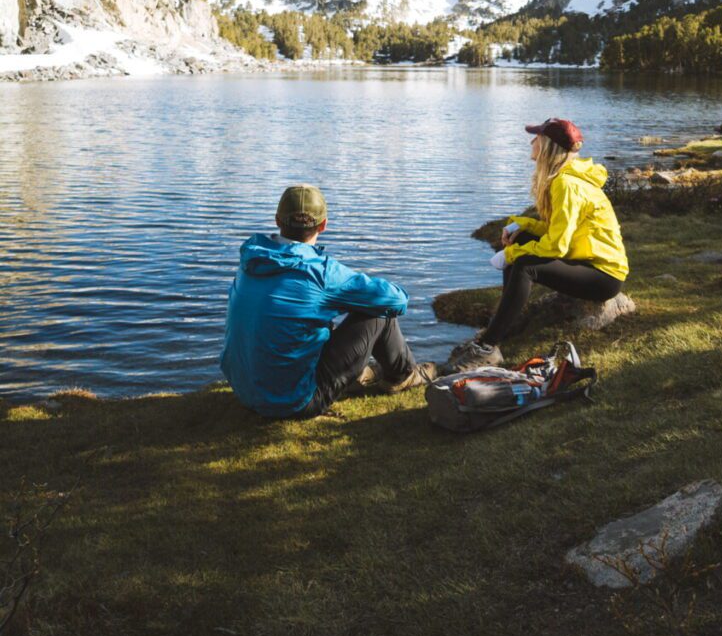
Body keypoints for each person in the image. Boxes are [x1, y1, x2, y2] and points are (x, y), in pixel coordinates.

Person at [221, 183, 437, 418]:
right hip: (293, 402)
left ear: (277, 220)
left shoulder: (250, 260)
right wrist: (352, 297)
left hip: (244, 392)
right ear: (323, 225)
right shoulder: (322, 273)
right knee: (378, 315)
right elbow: (396, 302)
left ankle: (362, 374)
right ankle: (402, 376)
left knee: (310, 320)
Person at [449, 117, 628, 370]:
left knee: (524, 265)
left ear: (547, 146)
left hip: (603, 276)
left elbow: (557, 246)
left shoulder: (566, 184)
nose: (532, 141)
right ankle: (504, 324)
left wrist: (513, 254)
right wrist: (523, 226)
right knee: (518, 240)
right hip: (585, 260)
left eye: (537, 137)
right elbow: (561, 230)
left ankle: (487, 348)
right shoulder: (565, 178)